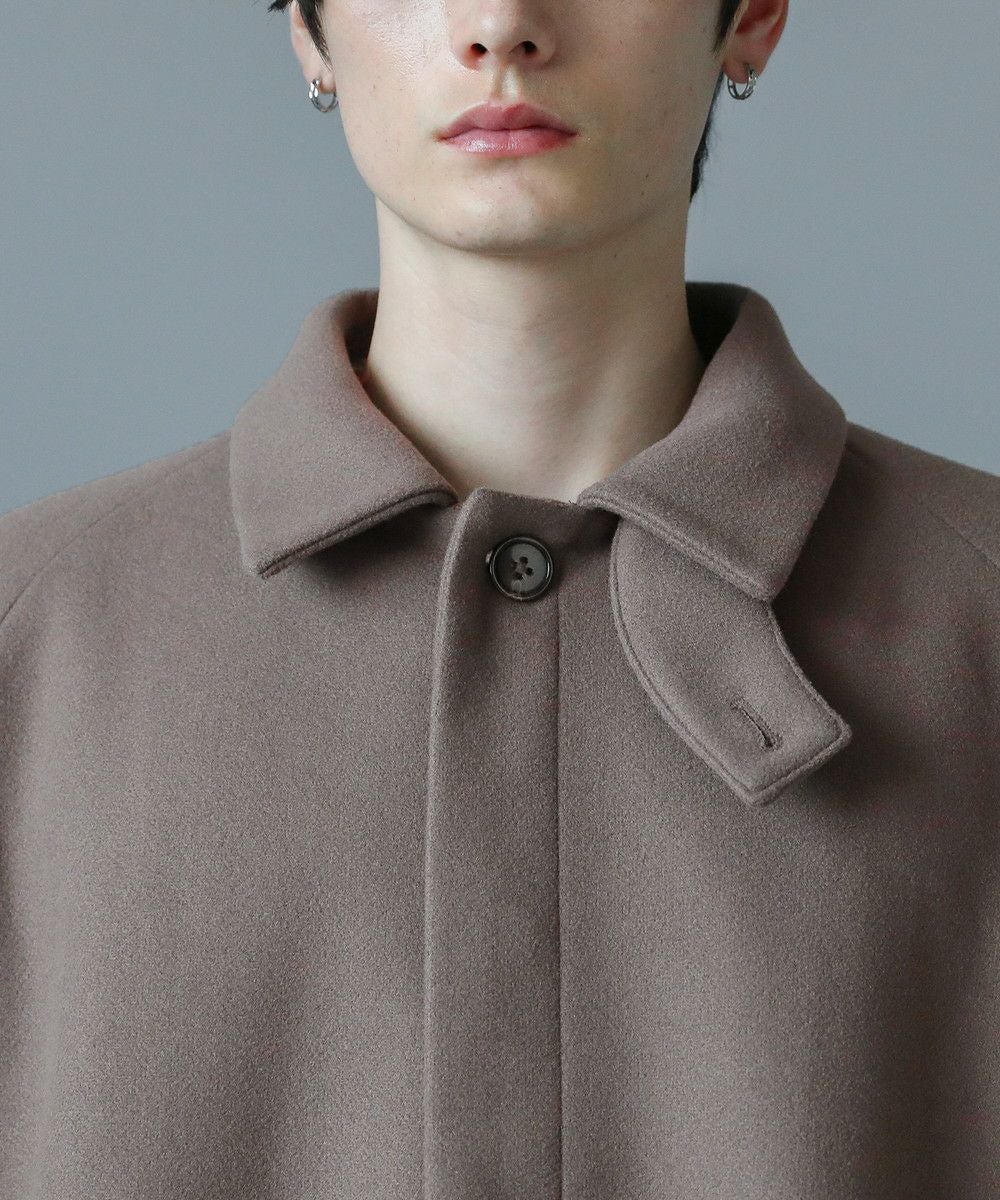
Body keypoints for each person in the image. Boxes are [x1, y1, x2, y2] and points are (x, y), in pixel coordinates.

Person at [1, 1, 998, 1196]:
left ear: (753, 16)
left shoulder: (977, 616)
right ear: (308, 33)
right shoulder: (30, 639)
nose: (501, 26)